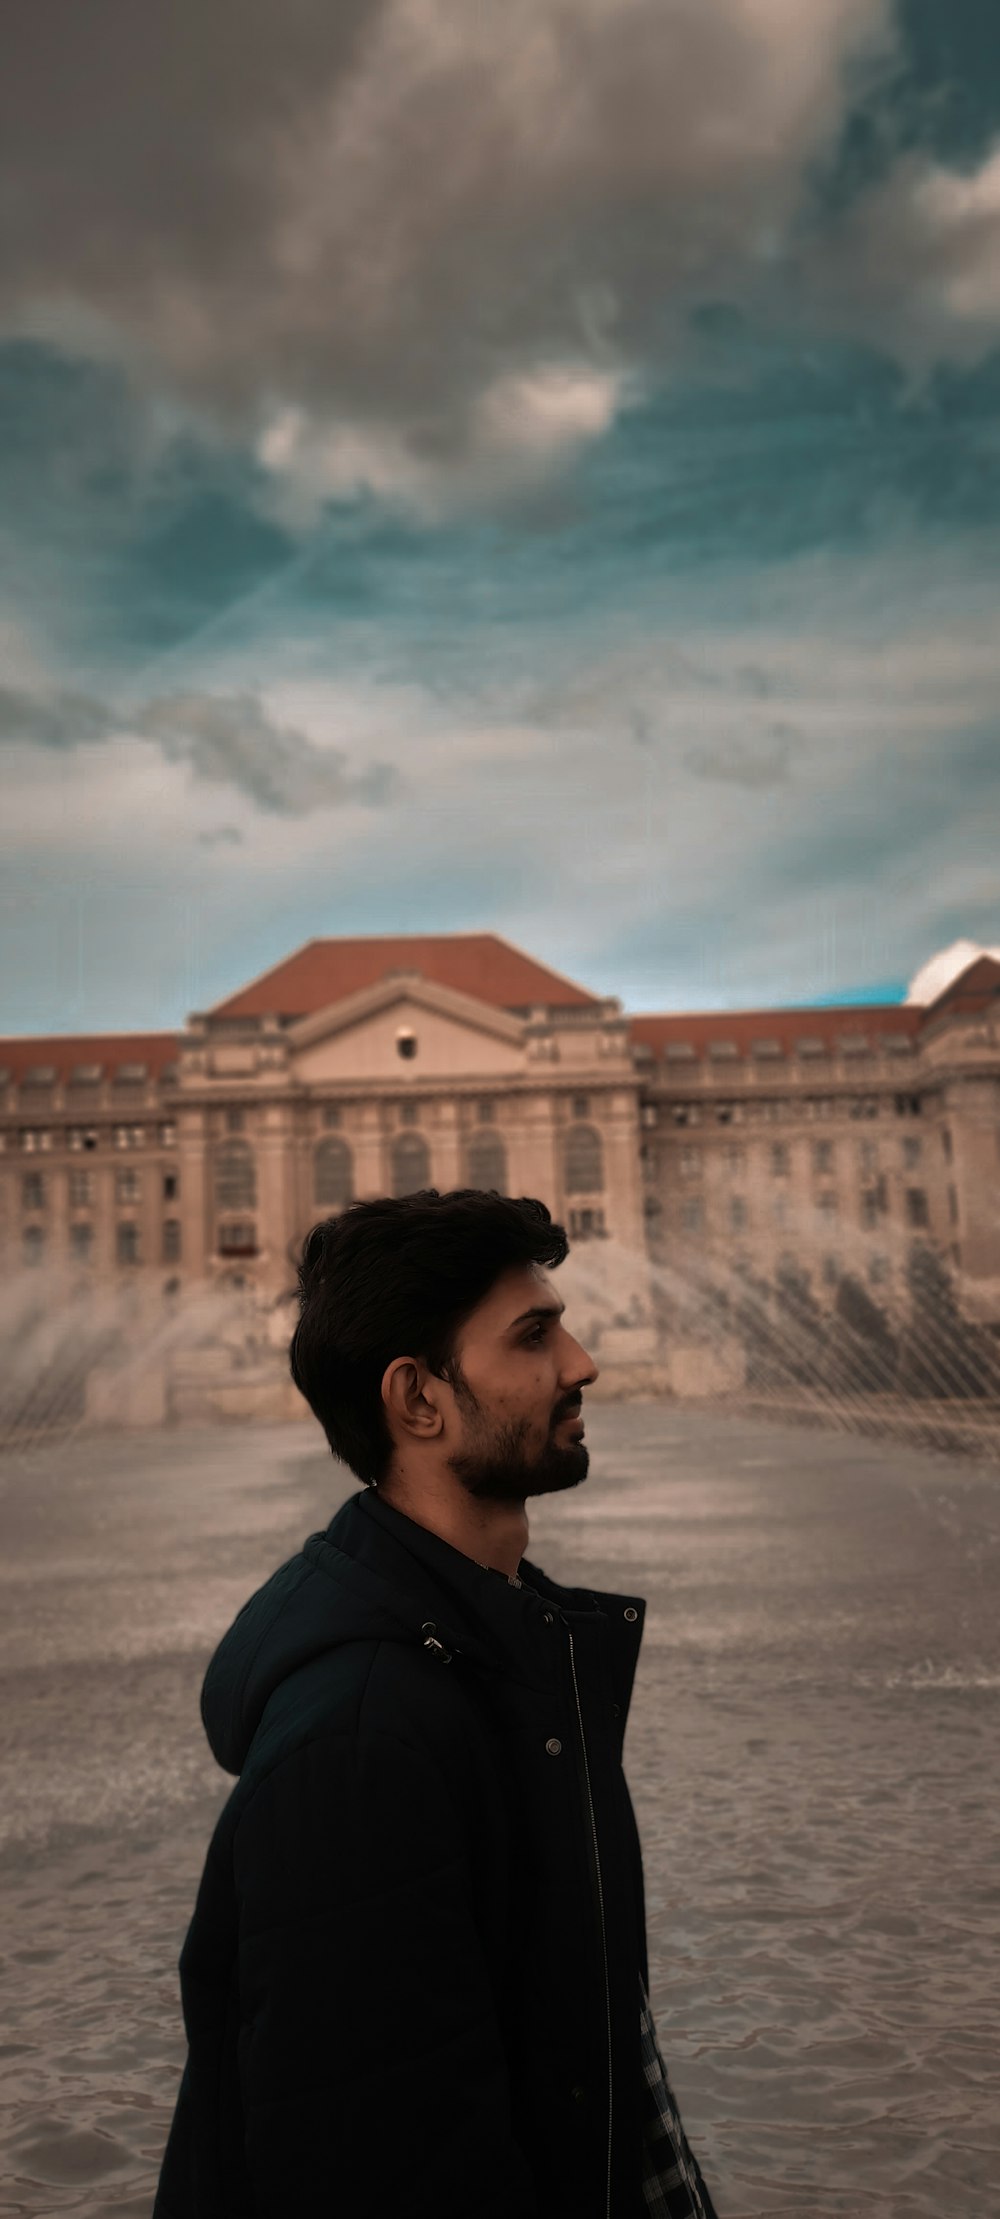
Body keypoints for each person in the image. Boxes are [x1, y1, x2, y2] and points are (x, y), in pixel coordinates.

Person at [153, 1188, 718, 2219]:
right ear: (418, 1399)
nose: (582, 1361)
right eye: (535, 1334)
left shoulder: (500, 1655)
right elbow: (375, 2166)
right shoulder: (361, 1740)